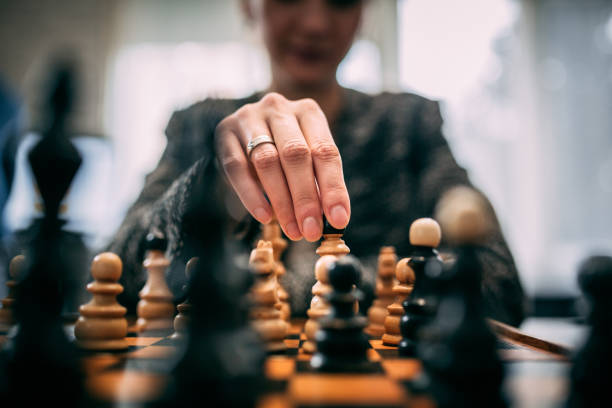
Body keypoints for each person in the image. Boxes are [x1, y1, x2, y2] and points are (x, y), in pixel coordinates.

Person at [109, 0, 526, 326]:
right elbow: (113, 275)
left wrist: (305, 286)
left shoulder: (410, 125)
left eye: (341, 0)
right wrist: (206, 188)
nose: (315, 24)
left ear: (363, 13)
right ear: (248, 5)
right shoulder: (199, 127)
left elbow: (501, 285)